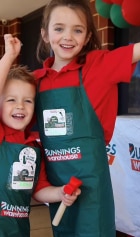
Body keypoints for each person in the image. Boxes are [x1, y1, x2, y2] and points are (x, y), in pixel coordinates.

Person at [32, 0, 140, 236]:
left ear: (88, 36)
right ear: (45, 34)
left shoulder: (98, 66)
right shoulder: (34, 82)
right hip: (57, 187)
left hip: (92, 187)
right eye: (59, 28)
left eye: (77, 30)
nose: (68, 36)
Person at [0, 34, 80, 237]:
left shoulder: (34, 149)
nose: (20, 105)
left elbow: (39, 190)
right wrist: (8, 56)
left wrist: (60, 193)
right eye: (11, 99)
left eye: (28, 100)